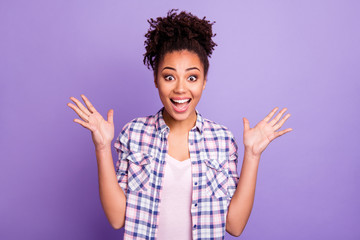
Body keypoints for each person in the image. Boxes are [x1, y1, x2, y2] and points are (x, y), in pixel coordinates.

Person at [67, 9, 292, 240]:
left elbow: (234, 226)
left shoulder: (222, 140)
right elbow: (116, 219)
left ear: (204, 81)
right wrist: (102, 147)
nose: (181, 89)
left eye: (192, 77)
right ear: (156, 80)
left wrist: (253, 155)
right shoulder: (134, 133)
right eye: (169, 76)